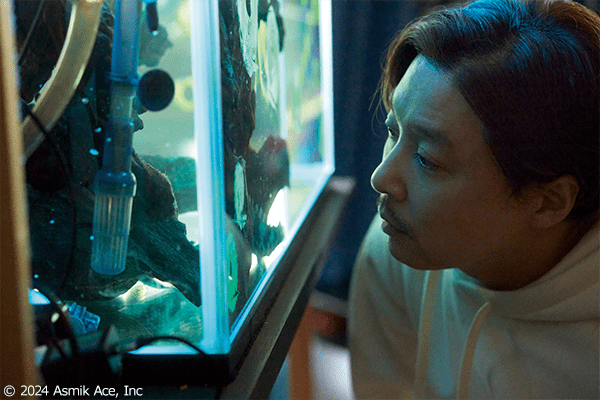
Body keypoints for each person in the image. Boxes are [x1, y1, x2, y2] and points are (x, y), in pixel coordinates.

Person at [347, 0, 600, 399]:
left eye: (426, 159)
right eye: (393, 131)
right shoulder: (396, 251)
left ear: (548, 202)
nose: (381, 179)